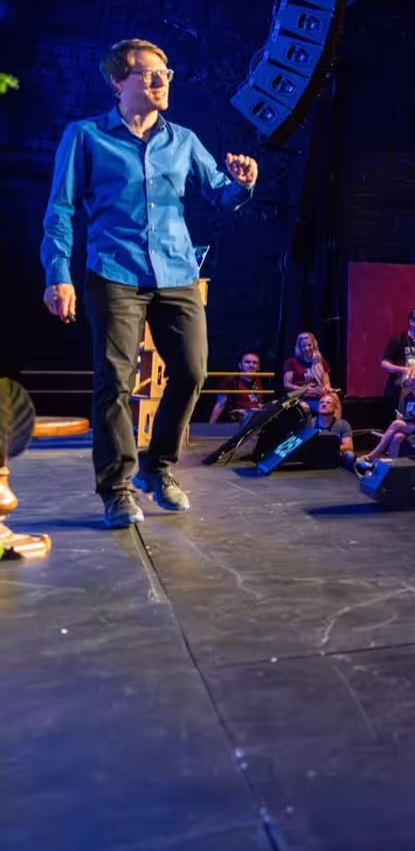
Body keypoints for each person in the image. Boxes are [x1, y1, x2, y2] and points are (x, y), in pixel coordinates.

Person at [39, 38, 259, 526]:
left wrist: (242, 183)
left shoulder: (183, 141)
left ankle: (156, 469)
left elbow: (221, 195)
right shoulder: (86, 136)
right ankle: (117, 487)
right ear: (119, 82)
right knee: (113, 381)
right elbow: (61, 211)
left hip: (177, 271)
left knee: (193, 371)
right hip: (114, 271)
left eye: (166, 73)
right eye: (148, 74)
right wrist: (58, 273)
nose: (161, 81)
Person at [359, 374, 415, 467]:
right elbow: (410, 415)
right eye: (408, 386)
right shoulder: (408, 396)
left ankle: (372, 455)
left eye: (413, 385)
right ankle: (392, 466)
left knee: (396, 424)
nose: (411, 388)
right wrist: (403, 418)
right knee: (397, 436)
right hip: (413, 426)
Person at [208, 350, 266, 424]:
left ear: (258, 367)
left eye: (255, 363)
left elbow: (261, 403)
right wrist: (210, 426)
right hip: (237, 422)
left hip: (257, 421)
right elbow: (220, 404)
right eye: (247, 362)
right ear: (240, 365)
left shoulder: (261, 379)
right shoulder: (230, 380)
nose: (251, 365)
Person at [282, 331, 332, 405]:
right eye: (303, 346)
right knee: (321, 404)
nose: (307, 348)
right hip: (299, 394)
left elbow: (327, 383)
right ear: (299, 347)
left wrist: (324, 389)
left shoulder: (320, 361)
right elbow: (286, 384)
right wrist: (304, 389)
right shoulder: (292, 362)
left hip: (317, 394)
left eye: (309, 345)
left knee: (334, 398)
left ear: (314, 345)